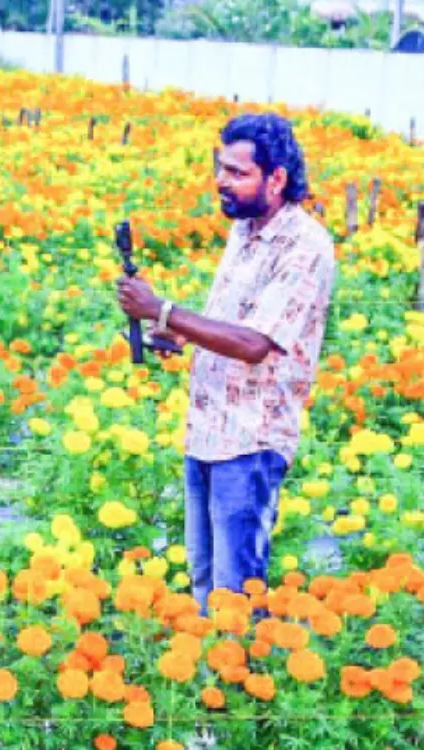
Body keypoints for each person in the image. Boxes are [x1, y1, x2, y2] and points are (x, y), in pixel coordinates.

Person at [116, 113, 335, 612]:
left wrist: (163, 309)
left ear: (276, 178)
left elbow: (257, 343)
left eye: (238, 172)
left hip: (251, 442)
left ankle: (236, 687)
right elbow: (231, 326)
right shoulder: (243, 230)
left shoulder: (304, 246)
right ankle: (205, 685)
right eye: (221, 168)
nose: (222, 180)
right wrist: (175, 333)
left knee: (236, 594)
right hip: (207, 432)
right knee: (204, 582)